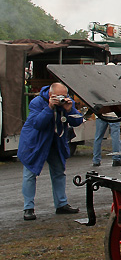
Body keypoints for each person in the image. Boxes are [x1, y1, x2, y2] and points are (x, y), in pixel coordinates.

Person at [19, 82, 83, 220]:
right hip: (35, 142)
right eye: (58, 96)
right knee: (30, 174)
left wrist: (70, 109)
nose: (62, 98)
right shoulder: (37, 102)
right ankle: (28, 208)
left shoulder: (67, 102)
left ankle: (61, 204)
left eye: (64, 96)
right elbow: (38, 124)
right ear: (50, 94)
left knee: (59, 172)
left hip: (55, 141)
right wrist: (49, 107)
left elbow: (78, 121)